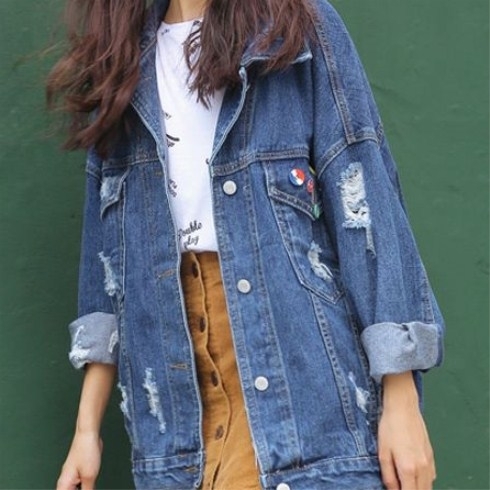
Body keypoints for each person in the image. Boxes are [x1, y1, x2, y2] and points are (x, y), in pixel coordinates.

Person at [48, 0, 445, 489]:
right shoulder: (122, 61)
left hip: (309, 418)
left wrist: (401, 400)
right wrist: (86, 431)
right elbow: (108, 266)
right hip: (177, 439)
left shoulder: (295, 28)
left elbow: (363, 202)